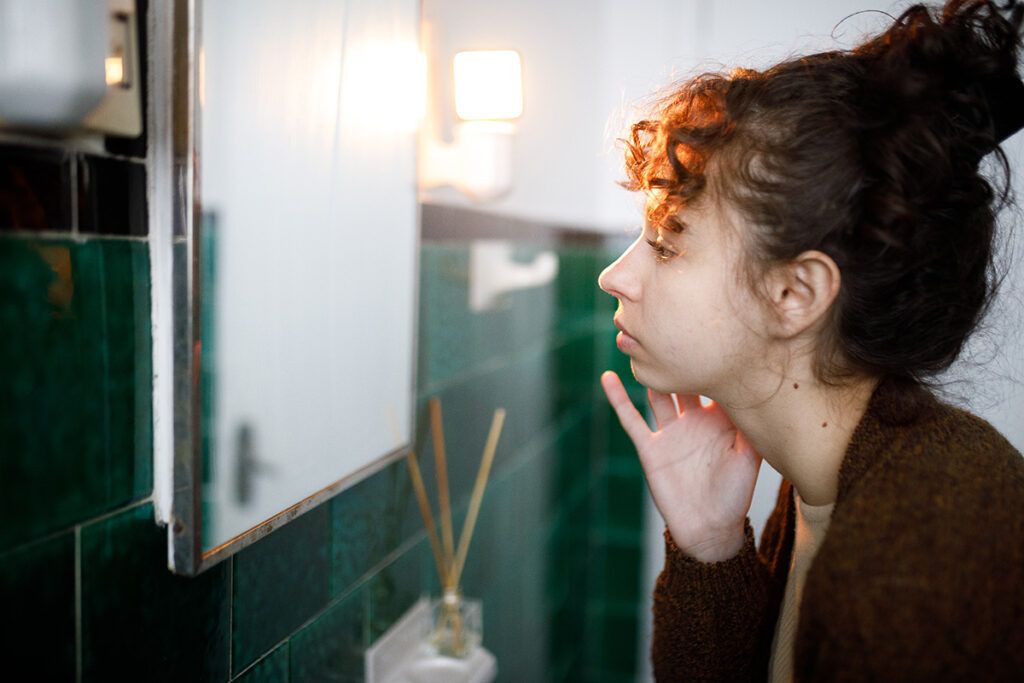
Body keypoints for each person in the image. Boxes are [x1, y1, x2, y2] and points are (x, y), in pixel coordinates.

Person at [596, 1, 1024, 680]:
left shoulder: (918, 560)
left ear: (795, 295)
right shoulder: (822, 489)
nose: (614, 276)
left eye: (665, 245)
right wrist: (710, 548)